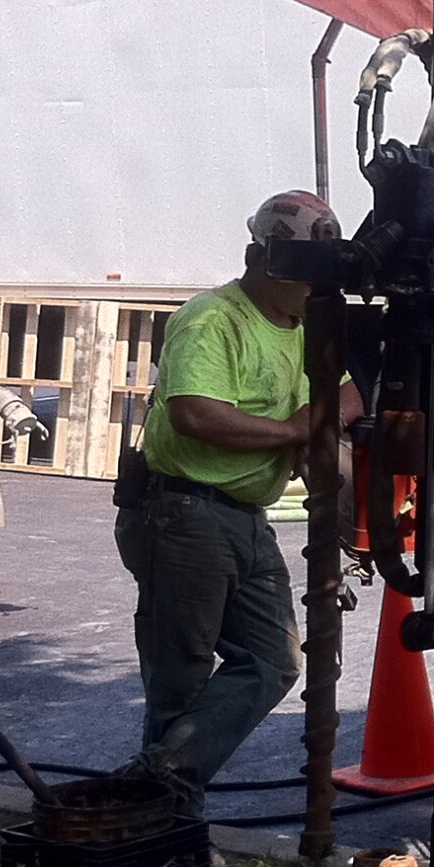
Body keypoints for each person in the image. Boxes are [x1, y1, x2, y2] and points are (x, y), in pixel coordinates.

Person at [115, 190, 357, 807]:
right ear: (269, 261)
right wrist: (294, 432)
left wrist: (315, 417)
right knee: (182, 675)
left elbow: (353, 395)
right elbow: (197, 414)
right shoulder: (213, 319)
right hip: (185, 511)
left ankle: (156, 781)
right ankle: (167, 825)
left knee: (275, 662)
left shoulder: (302, 328)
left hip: (243, 516)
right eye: (308, 273)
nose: (314, 287)